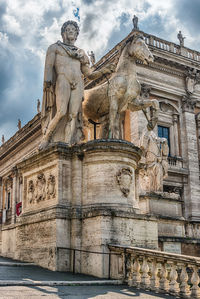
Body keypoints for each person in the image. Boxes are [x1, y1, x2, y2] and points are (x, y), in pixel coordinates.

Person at [40, 20, 114, 149]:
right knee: (61, 111)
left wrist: (104, 70)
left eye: (73, 30)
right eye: (68, 29)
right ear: (63, 33)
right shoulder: (55, 48)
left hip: (78, 83)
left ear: (77, 34)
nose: (71, 31)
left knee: (73, 115)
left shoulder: (81, 53)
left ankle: (68, 144)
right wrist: (48, 85)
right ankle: (46, 138)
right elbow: (48, 69)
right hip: (63, 80)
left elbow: (89, 74)